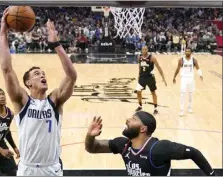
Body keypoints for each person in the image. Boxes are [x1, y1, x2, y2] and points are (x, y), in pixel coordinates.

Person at [0, 8, 77, 176]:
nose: (42, 75)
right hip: (27, 168)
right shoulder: (21, 100)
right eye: (36, 74)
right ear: (28, 83)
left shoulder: (55, 100)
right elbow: (6, 69)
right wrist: (3, 33)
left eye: (43, 73)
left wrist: (56, 44)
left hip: (51, 168)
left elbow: (72, 76)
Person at [85, 111, 216, 176]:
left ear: (143, 129)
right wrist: (90, 136)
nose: (127, 119)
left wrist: (212, 175)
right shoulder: (123, 145)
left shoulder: (159, 149)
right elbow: (93, 148)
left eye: (134, 119)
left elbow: (193, 153)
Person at [135, 46, 167, 115]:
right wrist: (138, 75)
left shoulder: (152, 58)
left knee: (153, 92)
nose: (144, 50)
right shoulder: (139, 57)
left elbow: (158, 67)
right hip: (142, 77)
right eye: (143, 49)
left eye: (145, 49)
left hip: (150, 78)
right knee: (138, 91)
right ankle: (140, 106)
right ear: (141, 50)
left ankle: (155, 109)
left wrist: (163, 78)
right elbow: (140, 67)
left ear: (147, 50)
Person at [173, 48, 203, 116]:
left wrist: (200, 75)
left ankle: (189, 107)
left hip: (191, 79)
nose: (187, 52)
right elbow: (177, 69)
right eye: (186, 51)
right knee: (182, 94)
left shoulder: (194, 60)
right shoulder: (181, 60)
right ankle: (181, 110)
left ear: (191, 52)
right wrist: (174, 77)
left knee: (190, 94)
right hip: (184, 78)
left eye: (189, 51)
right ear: (185, 52)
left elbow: (198, 68)